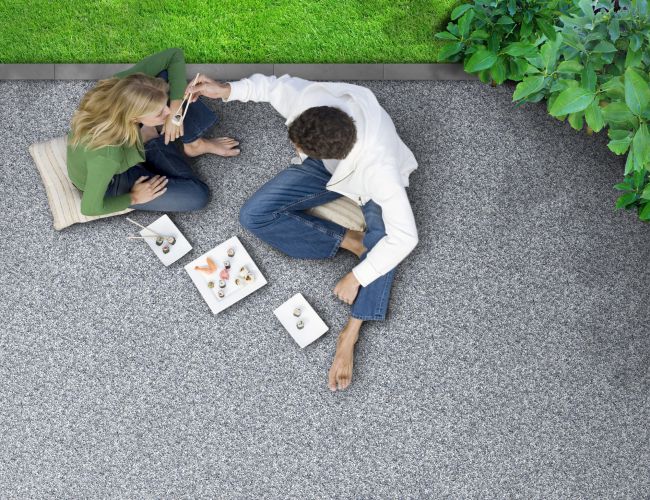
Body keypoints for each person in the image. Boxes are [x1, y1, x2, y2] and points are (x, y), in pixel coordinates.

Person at [187, 74, 418, 392]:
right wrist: (226, 90)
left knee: (387, 242)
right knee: (254, 215)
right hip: (325, 168)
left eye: (298, 147)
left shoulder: (382, 174)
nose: (293, 148)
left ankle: (350, 331)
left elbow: (407, 237)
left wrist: (357, 277)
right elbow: (273, 86)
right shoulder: (314, 104)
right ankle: (351, 240)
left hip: (366, 183)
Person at [67, 48, 240, 216]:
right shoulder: (106, 155)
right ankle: (151, 140)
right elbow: (89, 208)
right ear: (134, 118)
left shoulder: (121, 86)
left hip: (123, 140)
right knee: (198, 195)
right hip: (112, 180)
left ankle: (192, 143)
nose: (168, 114)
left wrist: (175, 110)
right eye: (160, 113)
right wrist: (133, 197)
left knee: (160, 81)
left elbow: (174, 55)